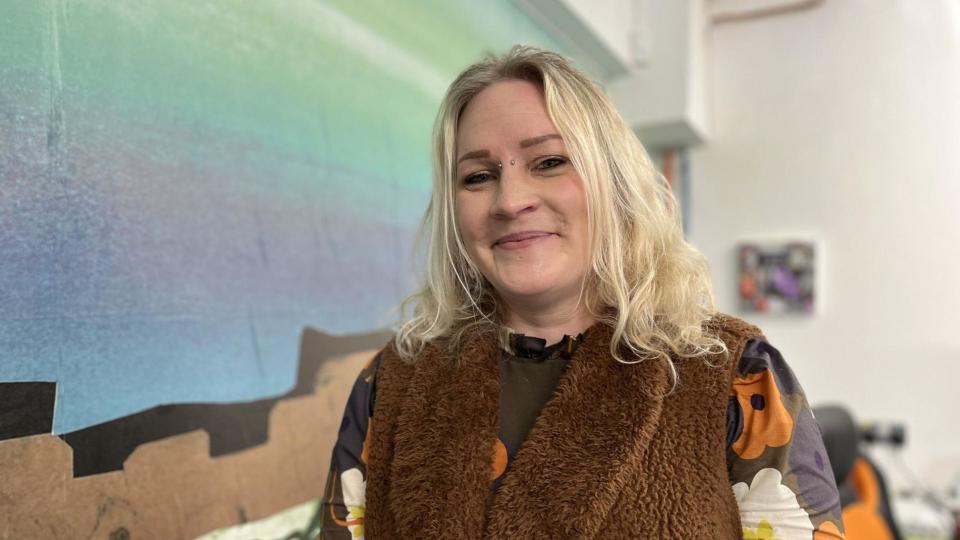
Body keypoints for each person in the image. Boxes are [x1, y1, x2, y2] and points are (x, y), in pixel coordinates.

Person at [319, 46, 845, 539]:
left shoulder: (733, 375)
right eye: (478, 176)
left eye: (549, 162)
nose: (511, 199)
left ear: (613, 183)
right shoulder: (391, 385)